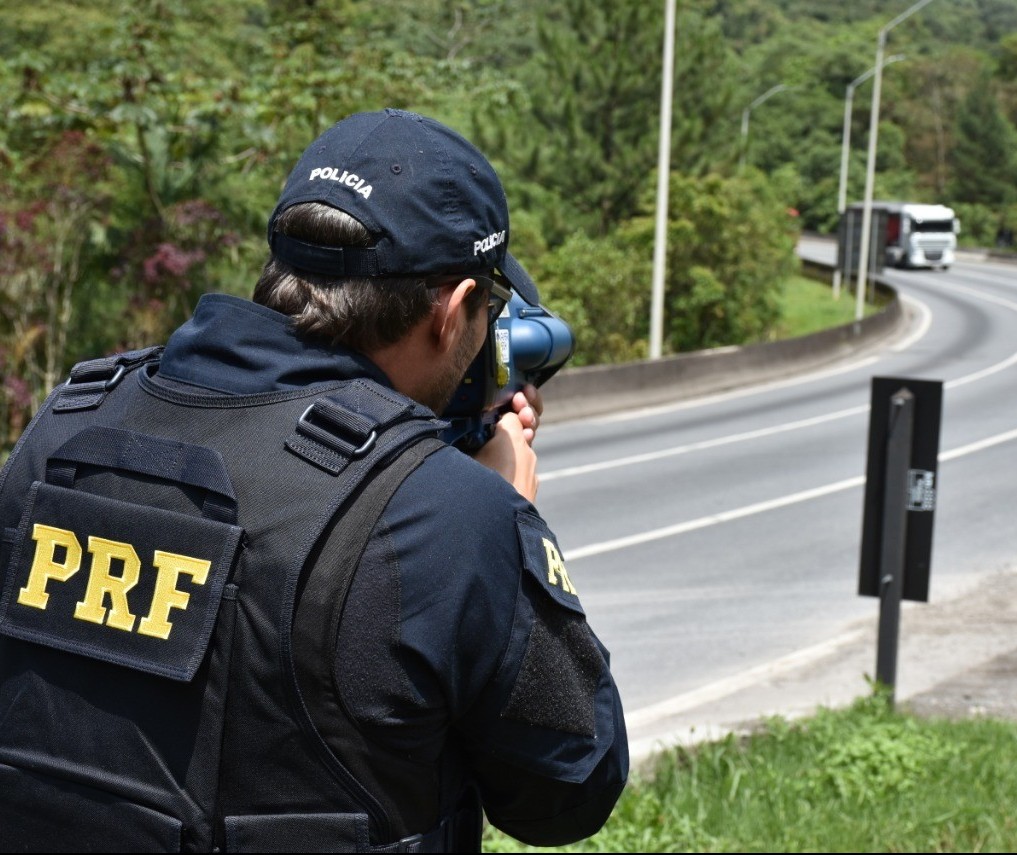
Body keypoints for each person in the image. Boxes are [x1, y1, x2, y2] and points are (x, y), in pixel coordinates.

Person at [0, 108, 628, 852]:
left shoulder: (68, 421)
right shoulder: (449, 517)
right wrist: (505, 516)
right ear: (454, 309)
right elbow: (567, 791)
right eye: (485, 308)